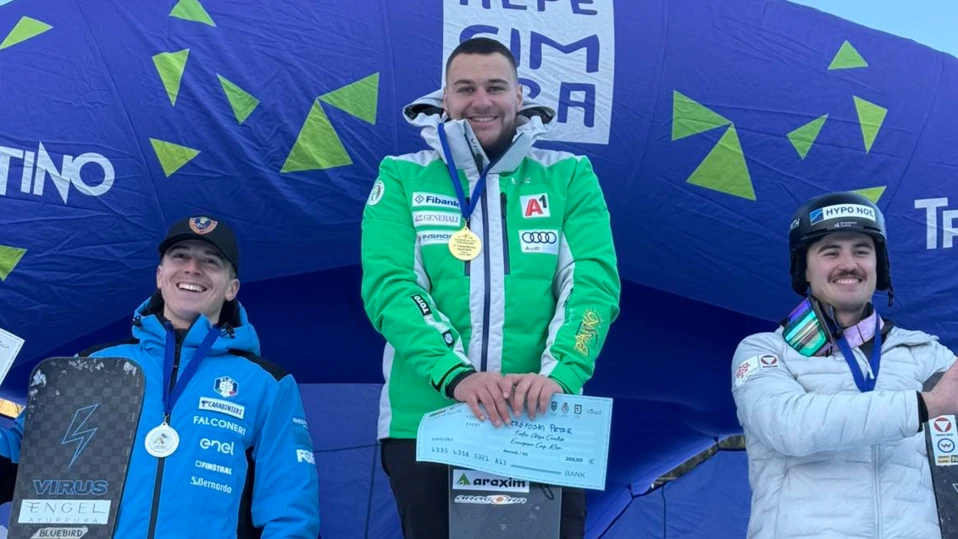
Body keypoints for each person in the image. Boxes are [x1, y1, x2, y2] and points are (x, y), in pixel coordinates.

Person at [360, 37, 620, 539]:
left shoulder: (568, 176)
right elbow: (391, 288)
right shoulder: (403, 176)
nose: (481, 101)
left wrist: (561, 375)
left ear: (519, 96)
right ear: (445, 98)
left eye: (495, 87)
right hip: (429, 420)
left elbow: (593, 285)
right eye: (466, 89)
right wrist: (457, 376)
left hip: (542, 421)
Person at [0, 215, 321, 538]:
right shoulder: (93, 365)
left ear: (231, 289)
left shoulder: (267, 384)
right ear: (159, 275)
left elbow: (290, 512)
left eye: (210, 261)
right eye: (180, 256)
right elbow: (16, 462)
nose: (192, 268)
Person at [731, 191, 958, 538]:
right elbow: (790, 427)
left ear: (879, 267)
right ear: (804, 269)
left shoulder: (928, 355)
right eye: (831, 252)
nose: (848, 264)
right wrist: (927, 405)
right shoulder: (764, 351)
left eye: (862, 251)